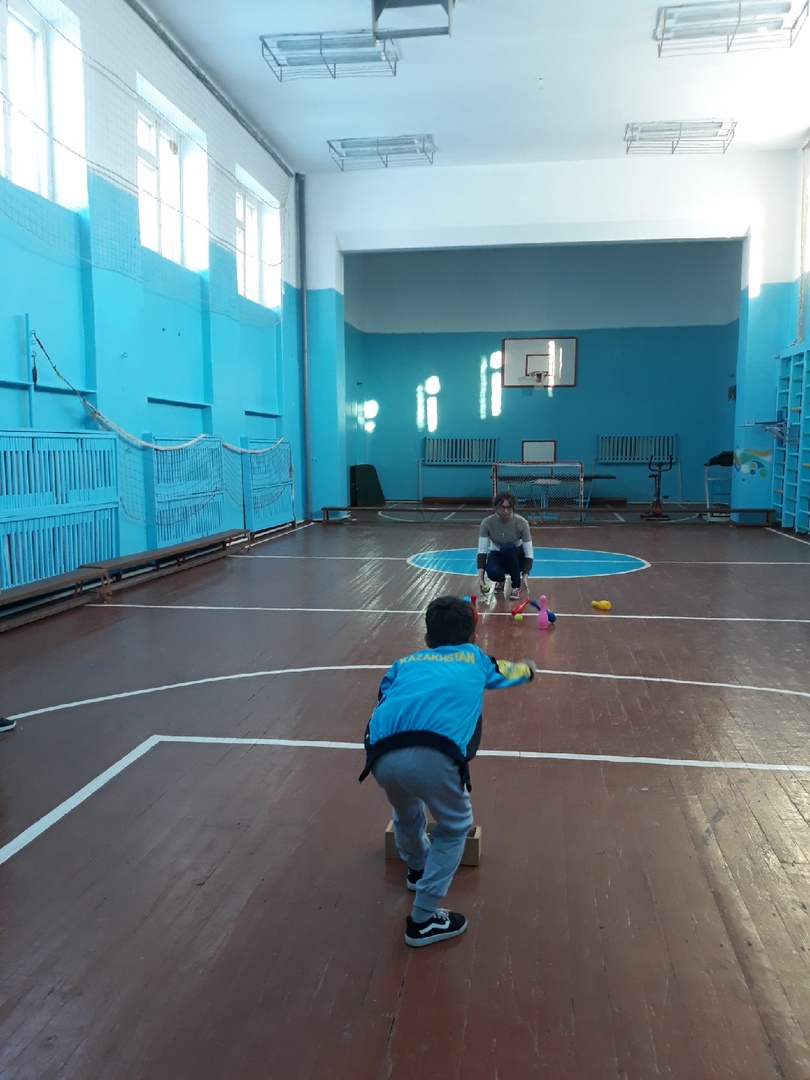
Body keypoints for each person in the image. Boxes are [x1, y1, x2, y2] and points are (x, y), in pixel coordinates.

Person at [359, 595, 535, 947]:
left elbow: (384, 695)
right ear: (472, 636)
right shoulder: (476, 658)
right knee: (454, 830)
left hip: (380, 752)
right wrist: (528, 669)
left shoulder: (404, 663)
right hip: (434, 754)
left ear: (427, 638)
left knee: (406, 812)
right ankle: (423, 920)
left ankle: (417, 869)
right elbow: (507, 672)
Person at [477, 490, 533, 600]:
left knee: (507, 547)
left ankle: (516, 586)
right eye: (502, 507)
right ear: (496, 507)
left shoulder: (522, 522)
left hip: (516, 557)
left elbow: (529, 553)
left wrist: (525, 576)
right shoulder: (486, 523)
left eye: (509, 507)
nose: (506, 511)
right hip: (497, 554)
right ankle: (500, 580)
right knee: (493, 572)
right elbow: (482, 551)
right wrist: (480, 579)